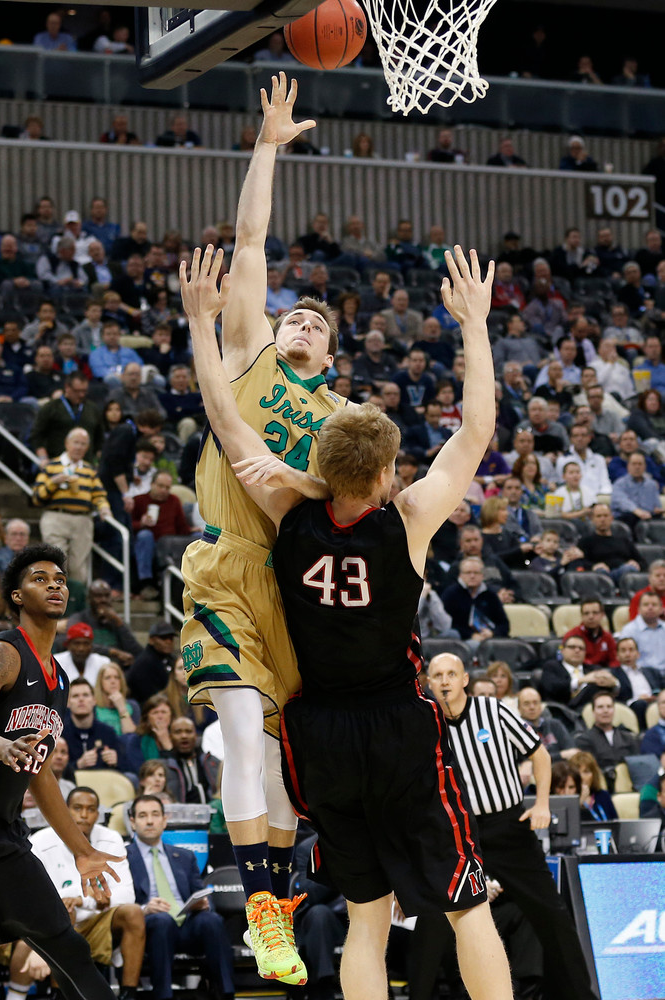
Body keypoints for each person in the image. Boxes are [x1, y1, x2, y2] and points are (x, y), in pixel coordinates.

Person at [181, 239, 515, 999]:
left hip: (320, 734)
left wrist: (201, 327)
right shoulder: (409, 519)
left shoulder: (287, 511)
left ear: (321, 466)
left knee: (364, 916)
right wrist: (472, 325)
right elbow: (475, 432)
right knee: (465, 907)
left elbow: (225, 417)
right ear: (386, 472)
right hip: (397, 725)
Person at [177, 74, 351, 983]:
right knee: (242, 735)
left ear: (332, 355)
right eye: (294, 312)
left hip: (293, 587)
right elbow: (250, 240)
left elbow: (353, 506)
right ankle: (257, 904)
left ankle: (273, 914)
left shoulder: (346, 423)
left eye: (317, 322)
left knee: (281, 770)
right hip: (223, 568)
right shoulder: (246, 354)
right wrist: (267, 146)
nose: (301, 321)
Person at [0, 543, 124, 999]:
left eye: (60, 578)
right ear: (18, 596)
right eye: (40, 579)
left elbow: (40, 775)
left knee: (66, 946)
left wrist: (82, 852)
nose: (54, 585)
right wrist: (3, 746)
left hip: (1, 834)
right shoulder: (1, 655)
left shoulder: (59, 680)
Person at [422, 653, 597, 1000]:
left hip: (508, 826)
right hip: (460, 834)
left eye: (451, 674)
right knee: (436, 920)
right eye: (437, 675)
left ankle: (578, 995)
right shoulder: (425, 724)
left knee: (551, 913)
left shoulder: (495, 711)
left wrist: (543, 803)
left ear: (464, 679)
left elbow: (540, 754)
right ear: (428, 683)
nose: (444, 681)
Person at [30, 785, 144, 997]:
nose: (84, 815)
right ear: (65, 810)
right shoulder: (39, 841)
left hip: (98, 920)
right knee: (64, 910)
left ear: (98, 814)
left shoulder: (111, 839)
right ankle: (59, 993)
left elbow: (127, 895)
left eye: (91, 809)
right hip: (59, 923)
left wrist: (84, 900)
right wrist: (81, 897)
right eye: (77, 808)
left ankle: (129, 993)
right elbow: (38, 896)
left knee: (133, 912)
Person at [127, 794, 235, 1000]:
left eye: (155, 814)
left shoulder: (184, 856)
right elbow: (120, 903)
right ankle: (163, 995)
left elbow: (200, 891)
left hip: (187, 923)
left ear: (164, 820)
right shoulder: (124, 858)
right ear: (132, 822)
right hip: (149, 927)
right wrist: (145, 908)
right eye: (142, 815)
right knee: (161, 920)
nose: (149, 821)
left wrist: (203, 904)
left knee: (211, 920)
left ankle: (226, 993)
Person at [32, 428, 111, 584]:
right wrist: (53, 483)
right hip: (56, 517)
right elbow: (36, 498)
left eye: (83, 444)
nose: (79, 447)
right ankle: (52, 603)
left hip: (82, 520)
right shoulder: (51, 466)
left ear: (87, 448)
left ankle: (75, 605)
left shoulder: (89, 470)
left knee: (77, 568)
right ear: (67, 444)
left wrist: (104, 508)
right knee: (56, 563)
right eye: (76, 442)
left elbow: (99, 495)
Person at [68, 580, 142, 667]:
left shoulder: (116, 620)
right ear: (89, 599)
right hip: (88, 667)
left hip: (115, 669)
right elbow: (75, 645)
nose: (103, 600)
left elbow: (137, 651)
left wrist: (118, 622)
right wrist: (113, 652)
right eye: (98, 596)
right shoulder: (79, 618)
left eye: (107, 596)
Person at [574, 692, 639, 790]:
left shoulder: (628, 738)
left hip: (629, 785)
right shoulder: (584, 740)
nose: (605, 711)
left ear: (614, 710)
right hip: (600, 788)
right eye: (600, 707)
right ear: (593, 711)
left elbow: (637, 764)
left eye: (609, 707)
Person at [441, 557, 510, 644]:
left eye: (476, 573)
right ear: (460, 575)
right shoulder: (450, 594)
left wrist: (493, 633)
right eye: (468, 573)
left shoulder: (490, 595)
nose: (472, 576)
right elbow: (446, 625)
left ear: (483, 575)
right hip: (460, 641)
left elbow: (504, 624)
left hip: (489, 639)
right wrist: (471, 635)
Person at [539, 634, 619, 709]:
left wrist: (614, 683)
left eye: (581, 648)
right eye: (572, 647)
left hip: (592, 710)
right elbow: (553, 687)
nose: (577, 650)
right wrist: (581, 680)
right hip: (564, 709)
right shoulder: (551, 666)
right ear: (562, 650)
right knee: (593, 686)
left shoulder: (593, 669)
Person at [62, 678, 122, 772]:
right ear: (68, 703)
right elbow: (54, 771)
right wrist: (78, 765)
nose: (81, 699)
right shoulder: (60, 734)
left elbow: (126, 768)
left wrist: (116, 762)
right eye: (75, 696)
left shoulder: (108, 732)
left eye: (86, 695)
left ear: (94, 700)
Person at [518, 687, 577, 762]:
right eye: (526, 704)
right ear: (519, 708)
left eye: (535, 703)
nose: (532, 707)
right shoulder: (517, 730)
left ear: (541, 706)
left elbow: (573, 752)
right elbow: (528, 762)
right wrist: (561, 755)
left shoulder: (555, 724)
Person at [126, 622, 178, 704]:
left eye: (171, 638)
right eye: (163, 638)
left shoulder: (170, 659)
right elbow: (147, 695)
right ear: (151, 640)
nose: (168, 641)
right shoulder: (144, 663)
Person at [618, 591, 665, 675]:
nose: (650, 608)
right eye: (646, 605)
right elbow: (624, 660)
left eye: (654, 605)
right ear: (638, 609)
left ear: (661, 609)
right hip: (642, 675)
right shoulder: (629, 630)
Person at [565, 598, 617, 668]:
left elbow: (614, 660)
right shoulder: (572, 636)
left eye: (595, 613)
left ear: (602, 615)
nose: (591, 617)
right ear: (582, 616)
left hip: (603, 673)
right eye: (586, 613)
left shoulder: (608, 637)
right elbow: (569, 660)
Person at [568, 751, 618, 821]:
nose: (582, 777)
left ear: (593, 774)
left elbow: (616, 824)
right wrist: (580, 802)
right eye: (577, 772)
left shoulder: (603, 795)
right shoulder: (569, 798)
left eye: (586, 772)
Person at [94, 662, 139, 735]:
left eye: (117, 677)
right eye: (108, 678)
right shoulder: (94, 707)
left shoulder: (132, 706)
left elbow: (130, 734)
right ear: (100, 683)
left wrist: (122, 708)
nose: (113, 681)